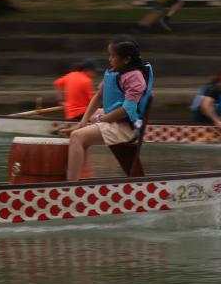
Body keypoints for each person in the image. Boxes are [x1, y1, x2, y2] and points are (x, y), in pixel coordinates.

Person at [62, 39, 153, 181]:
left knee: (76, 137)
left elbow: (127, 110)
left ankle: (71, 186)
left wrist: (102, 119)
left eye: (113, 56)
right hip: (115, 119)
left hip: (127, 126)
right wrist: (83, 122)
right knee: (89, 119)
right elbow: (99, 96)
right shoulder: (114, 72)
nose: (110, 59)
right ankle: (77, 171)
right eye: (109, 55)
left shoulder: (135, 78)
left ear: (126, 60)